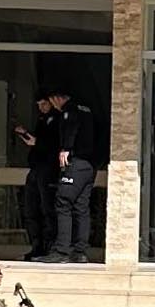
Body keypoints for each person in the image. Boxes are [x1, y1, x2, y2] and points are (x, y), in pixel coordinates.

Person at [50, 89, 100, 260]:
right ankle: (80, 252)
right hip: (90, 165)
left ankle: (61, 251)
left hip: (76, 162)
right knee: (81, 207)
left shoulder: (70, 111)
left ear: (57, 98)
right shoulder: (88, 109)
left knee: (63, 202)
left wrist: (67, 149)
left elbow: (71, 128)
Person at [18, 90, 64, 260]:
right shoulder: (42, 120)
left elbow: (55, 145)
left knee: (48, 209)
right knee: (31, 209)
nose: (41, 108)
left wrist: (37, 142)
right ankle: (36, 245)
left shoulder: (58, 119)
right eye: (38, 105)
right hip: (36, 168)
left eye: (44, 104)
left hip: (49, 169)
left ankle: (50, 247)